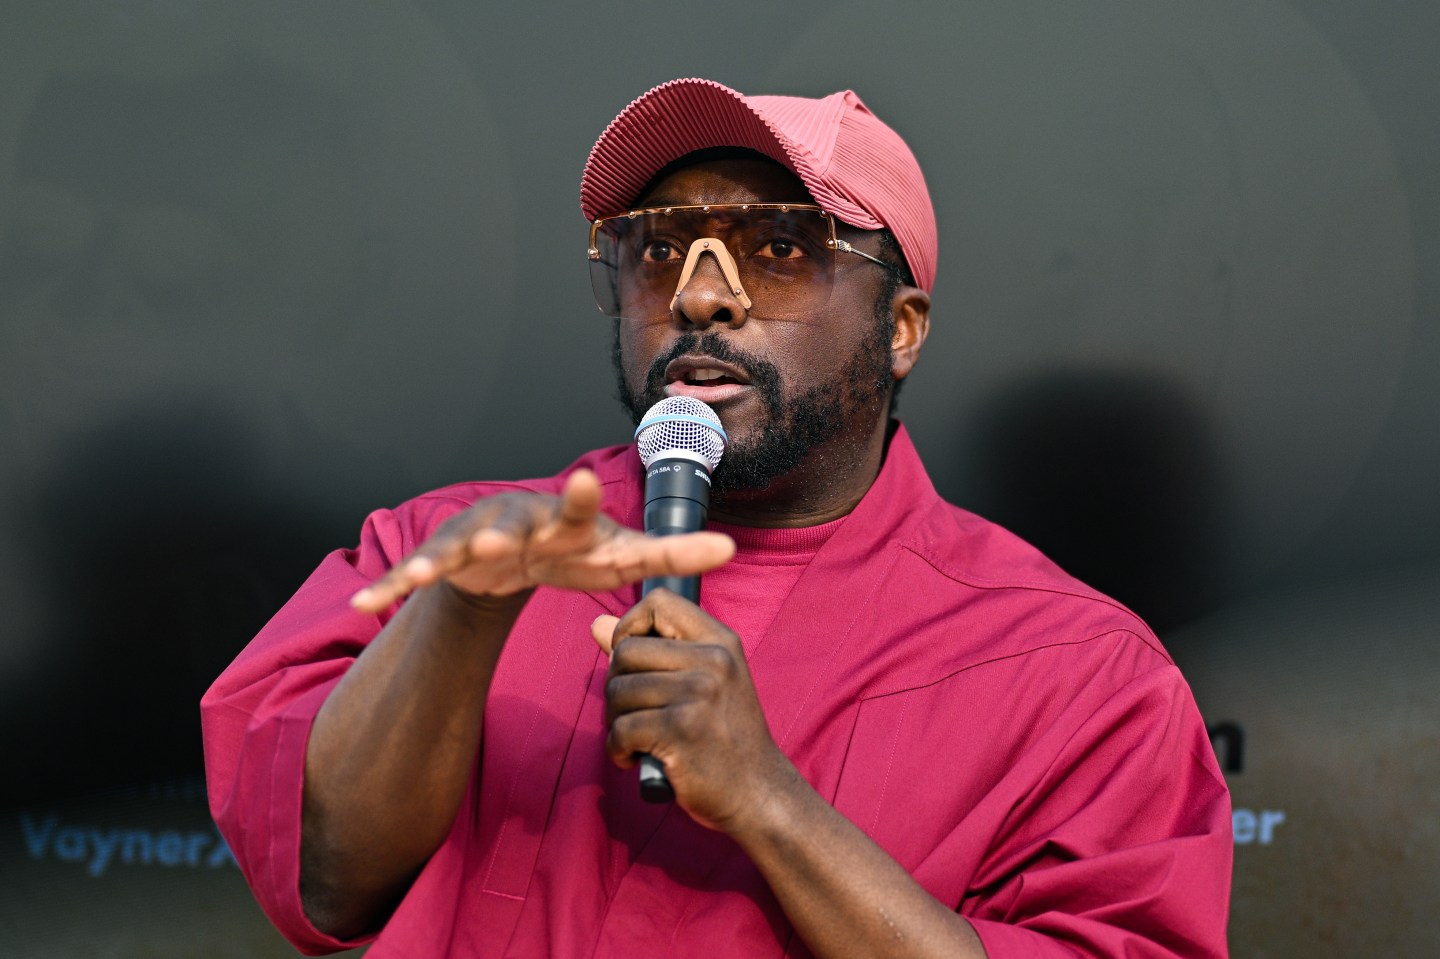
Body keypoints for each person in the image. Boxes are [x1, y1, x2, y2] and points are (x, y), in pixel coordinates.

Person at [202, 78, 1232, 958]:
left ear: (902, 328)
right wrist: (460, 617)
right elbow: (324, 879)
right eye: (658, 251)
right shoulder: (449, 548)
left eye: (778, 246)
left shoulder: (1080, 673)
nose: (699, 297)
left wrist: (767, 797)